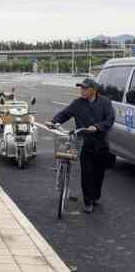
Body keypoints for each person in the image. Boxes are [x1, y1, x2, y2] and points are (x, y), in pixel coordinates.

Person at [48, 78, 115, 214]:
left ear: (93, 90)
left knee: (99, 173)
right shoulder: (77, 103)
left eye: (85, 88)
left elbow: (110, 119)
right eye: (81, 88)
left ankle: (95, 196)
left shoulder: (105, 102)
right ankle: (88, 201)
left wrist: (97, 127)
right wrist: (53, 121)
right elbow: (65, 113)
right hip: (84, 144)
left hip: (101, 144)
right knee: (87, 173)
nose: (82, 90)